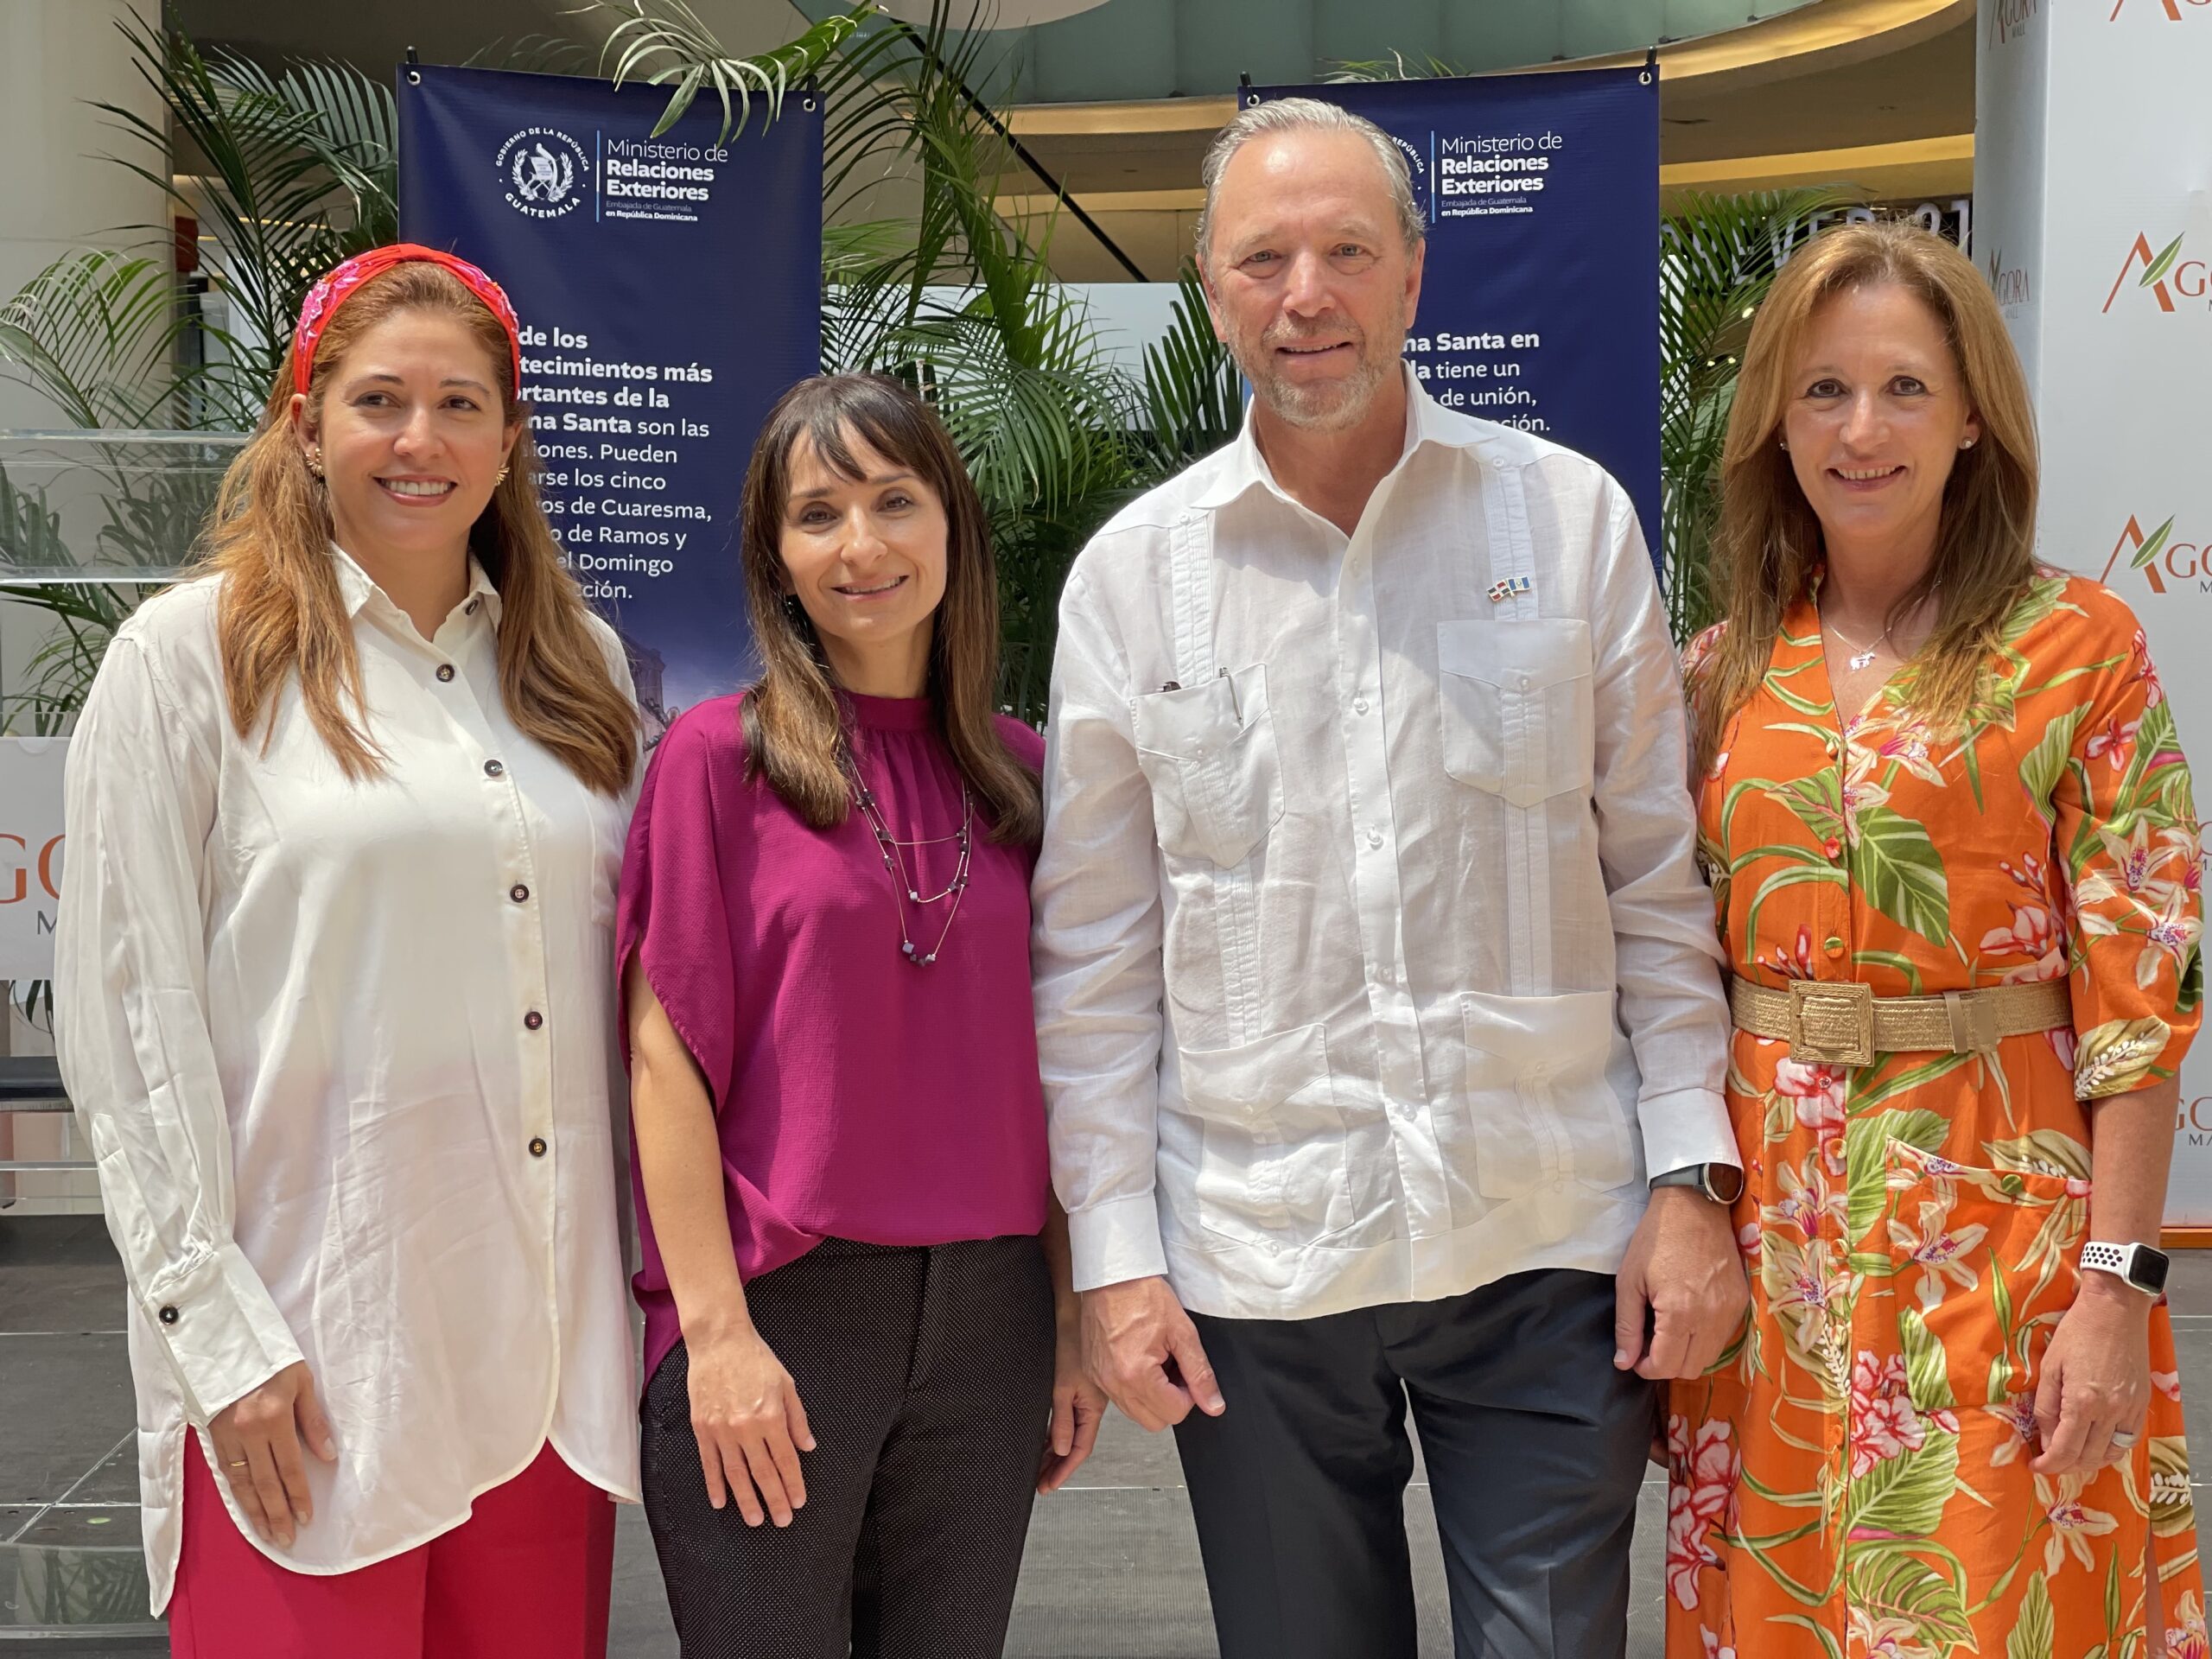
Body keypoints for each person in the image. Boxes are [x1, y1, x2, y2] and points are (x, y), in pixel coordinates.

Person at [1031, 98, 1748, 1659]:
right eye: (1264, 259)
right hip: (1259, 1255)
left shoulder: (1568, 524)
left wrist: (1691, 1182)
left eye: (1348, 251)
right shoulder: (1133, 583)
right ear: (1211, 290)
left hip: (1549, 1234)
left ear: (1415, 276)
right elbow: (1094, 959)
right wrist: (1117, 1262)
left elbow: (1654, 886)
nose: (1308, 295)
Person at [54, 245, 645, 1658]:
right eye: (380, 400)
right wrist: (217, 1336)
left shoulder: (584, 671)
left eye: (459, 405)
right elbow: (127, 1022)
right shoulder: (189, 658)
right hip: (307, 1361)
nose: (419, 440)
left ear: (509, 439)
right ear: (306, 424)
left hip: (545, 1371)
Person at [1669, 220, 2205, 1655]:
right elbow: (1667, 973)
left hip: (2003, 1233)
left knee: (1992, 1603)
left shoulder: (2080, 649)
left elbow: (2140, 1005)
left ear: (1973, 417)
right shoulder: (1720, 672)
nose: (1863, 429)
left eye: (1905, 387)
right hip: (1773, 1245)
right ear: (1777, 424)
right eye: (1824, 390)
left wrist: (2117, 1287)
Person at [618, 372, 1105, 1659]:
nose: (862, 544)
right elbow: (664, 1062)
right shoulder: (714, 759)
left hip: (993, 1313)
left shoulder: (1024, 773)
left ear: (951, 525)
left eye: (895, 501)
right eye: (817, 513)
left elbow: (1064, 1059)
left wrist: (1066, 1320)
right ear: (775, 557)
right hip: (785, 1306)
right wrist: (713, 1333)